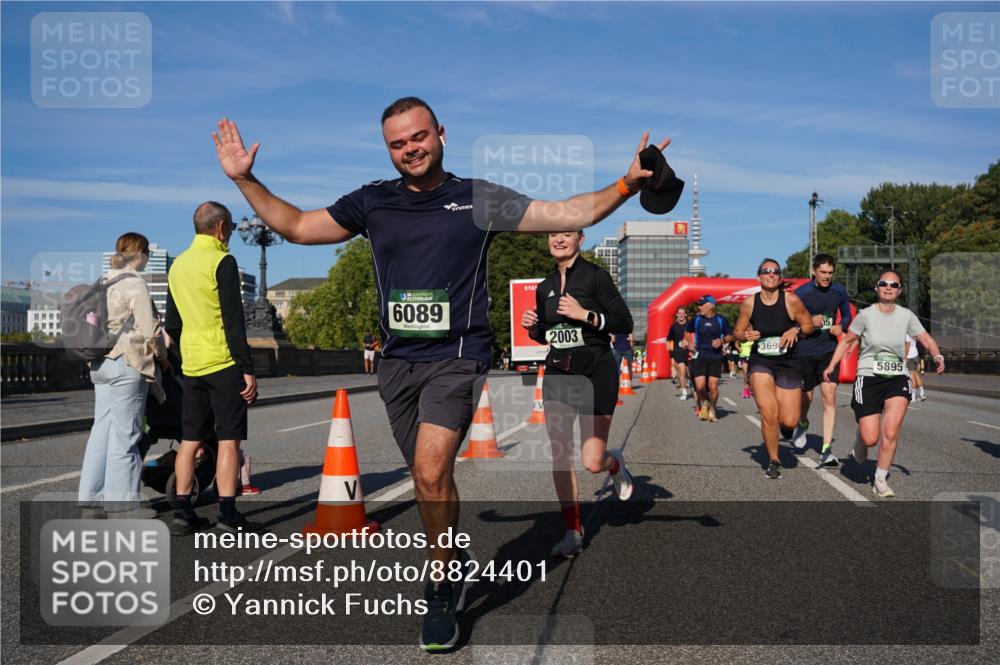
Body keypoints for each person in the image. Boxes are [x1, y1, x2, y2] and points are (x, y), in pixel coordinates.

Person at [213, 97, 670, 651]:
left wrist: (625, 185)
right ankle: (451, 552)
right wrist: (245, 180)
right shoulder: (372, 201)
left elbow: (567, 211)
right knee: (431, 483)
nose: (410, 149)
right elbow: (298, 227)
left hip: (457, 358)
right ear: (388, 149)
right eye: (397, 143)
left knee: (432, 471)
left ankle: (440, 585)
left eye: (419, 137)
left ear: (441, 134)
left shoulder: (477, 199)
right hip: (397, 364)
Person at [522, 231, 634, 559]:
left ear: (580, 239)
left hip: (596, 371)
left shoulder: (595, 276)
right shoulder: (544, 286)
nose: (559, 239)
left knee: (592, 462)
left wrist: (585, 314)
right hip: (559, 371)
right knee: (560, 452)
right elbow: (547, 333)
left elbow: (624, 322)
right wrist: (533, 327)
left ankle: (614, 464)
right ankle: (573, 531)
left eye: (567, 234)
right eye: (553, 234)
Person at [165, 202, 259, 535]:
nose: (230, 232)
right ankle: (227, 515)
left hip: (193, 364)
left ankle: (182, 513)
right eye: (230, 226)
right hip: (223, 361)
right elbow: (234, 321)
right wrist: (247, 367)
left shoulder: (177, 265)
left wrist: (185, 356)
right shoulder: (222, 261)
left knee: (190, 440)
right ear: (221, 227)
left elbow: (173, 324)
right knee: (229, 440)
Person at [823, 271, 945, 497]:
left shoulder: (906, 315)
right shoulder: (865, 315)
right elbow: (847, 341)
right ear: (877, 288)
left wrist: (937, 355)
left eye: (894, 284)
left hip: (897, 377)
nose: (888, 287)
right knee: (871, 437)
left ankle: (880, 479)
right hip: (869, 376)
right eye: (884, 283)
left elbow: (925, 339)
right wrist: (832, 365)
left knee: (890, 431)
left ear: (899, 291)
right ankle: (861, 438)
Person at [79, 233, 169, 517]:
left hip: (99, 364)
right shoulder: (134, 283)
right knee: (126, 437)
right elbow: (150, 330)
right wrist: (163, 358)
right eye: (147, 254)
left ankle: (91, 503)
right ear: (140, 253)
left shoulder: (103, 280)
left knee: (101, 434)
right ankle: (124, 509)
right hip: (126, 363)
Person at [734, 259, 814, 479]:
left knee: (788, 421)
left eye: (775, 271)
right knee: (769, 412)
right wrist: (745, 335)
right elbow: (737, 332)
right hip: (761, 360)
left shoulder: (791, 301)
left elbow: (809, 325)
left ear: (779, 277)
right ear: (758, 276)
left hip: (788, 362)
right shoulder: (750, 303)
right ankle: (774, 460)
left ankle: (788, 429)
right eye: (766, 271)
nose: (771, 274)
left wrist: (796, 330)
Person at [792, 253, 852, 466]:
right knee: (806, 398)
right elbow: (790, 321)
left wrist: (841, 326)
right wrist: (807, 322)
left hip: (828, 351)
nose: (827, 276)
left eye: (830, 273)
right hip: (805, 351)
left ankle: (826, 450)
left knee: (829, 397)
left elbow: (847, 315)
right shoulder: (801, 293)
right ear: (814, 271)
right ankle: (802, 423)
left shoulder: (839, 291)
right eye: (823, 272)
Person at [686, 295, 732, 422]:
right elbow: (687, 331)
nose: (699, 307)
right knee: (700, 386)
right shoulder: (696, 319)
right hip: (700, 355)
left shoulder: (721, 320)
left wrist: (721, 340)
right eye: (699, 305)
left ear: (711, 306)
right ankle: (705, 402)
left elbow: (730, 335)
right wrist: (690, 343)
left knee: (713, 386)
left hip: (715, 356)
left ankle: (712, 409)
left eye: (702, 305)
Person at [666, 307, 691, 400]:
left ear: (685, 315)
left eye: (682, 313)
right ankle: (684, 391)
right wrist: (670, 350)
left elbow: (695, 336)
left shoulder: (690, 325)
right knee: (681, 369)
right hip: (678, 351)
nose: (681, 315)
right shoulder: (674, 326)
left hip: (689, 351)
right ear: (677, 315)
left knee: (689, 372)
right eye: (679, 313)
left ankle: (690, 381)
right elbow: (669, 339)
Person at [905, 334, 926, 401]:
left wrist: (905, 357)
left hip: (910, 356)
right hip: (915, 355)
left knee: (912, 376)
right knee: (917, 375)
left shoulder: (907, 334)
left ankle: (913, 397)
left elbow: (907, 345)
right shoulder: (913, 332)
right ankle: (922, 394)